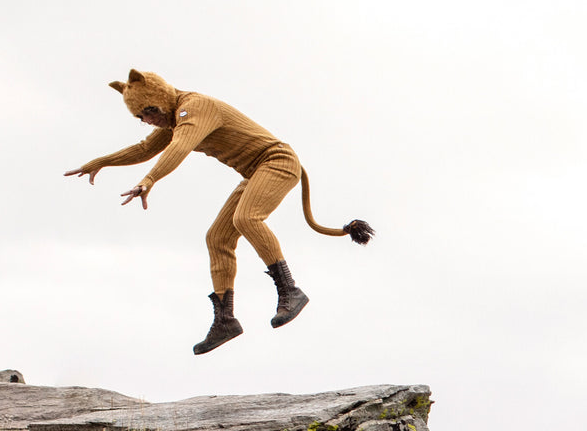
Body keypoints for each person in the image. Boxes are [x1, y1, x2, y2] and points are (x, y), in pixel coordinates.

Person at [66, 69, 373, 354]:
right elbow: (145, 148)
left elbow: (180, 147)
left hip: (277, 161)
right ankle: (225, 320)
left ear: (161, 98)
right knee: (217, 238)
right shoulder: (174, 118)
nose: (147, 120)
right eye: (141, 117)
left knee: (246, 219)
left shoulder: (194, 108)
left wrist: (149, 179)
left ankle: (290, 290)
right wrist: (99, 162)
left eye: (149, 111)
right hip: (255, 172)